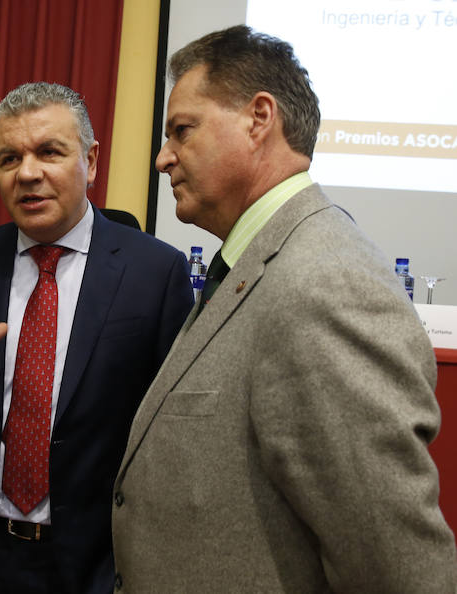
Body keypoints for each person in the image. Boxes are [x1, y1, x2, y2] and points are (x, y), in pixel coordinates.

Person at [111, 25, 457, 592]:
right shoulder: (260, 265)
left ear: (258, 118)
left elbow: (394, 564)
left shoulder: (326, 284)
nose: (162, 158)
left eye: (182, 130)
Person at [0, 82, 194, 594]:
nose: (27, 173)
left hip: (95, 564)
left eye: (49, 152)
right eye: (9, 158)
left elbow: (176, 434)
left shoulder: (155, 272)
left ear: (91, 161)